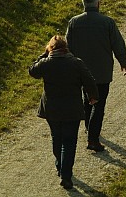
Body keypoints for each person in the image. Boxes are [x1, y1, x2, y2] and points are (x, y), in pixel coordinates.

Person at [29, 35, 98, 190]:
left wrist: (44, 54)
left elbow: (32, 71)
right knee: (69, 142)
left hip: (52, 109)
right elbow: (89, 80)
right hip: (72, 109)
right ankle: (66, 176)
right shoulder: (76, 63)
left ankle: (60, 166)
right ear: (66, 48)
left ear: (50, 48)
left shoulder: (46, 63)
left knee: (56, 137)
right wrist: (92, 96)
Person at [66, 0, 126, 152]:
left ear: (83, 4)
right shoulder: (107, 22)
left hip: (80, 71)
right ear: (98, 3)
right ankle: (93, 139)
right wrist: (123, 62)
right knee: (98, 104)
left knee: (87, 99)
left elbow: (68, 47)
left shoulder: (74, 22)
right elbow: (117, 44)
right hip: (101, 72)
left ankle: (89, 127)